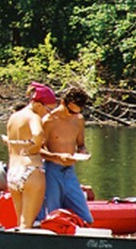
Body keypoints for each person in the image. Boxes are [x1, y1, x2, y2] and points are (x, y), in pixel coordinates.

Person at [38, 85, 94, 225]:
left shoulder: (78, 120)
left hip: (70, 172)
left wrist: (83, 152)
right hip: (52, 171)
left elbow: (81, 144)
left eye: (76, 112)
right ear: (63, 102)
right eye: (70, 111)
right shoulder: (48, 121)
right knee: (53, 217)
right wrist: (57, 157)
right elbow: (37, 150)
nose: (72, 115)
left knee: (87, 219)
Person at [4, 82, 56, 229]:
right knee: (27, 224)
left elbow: (11, 143)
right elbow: (38, 134)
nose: (48, 113)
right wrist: (34, 148)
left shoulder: (14, 117)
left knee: (19, 221)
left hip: (13, 171)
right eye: (49, 109)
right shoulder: (33, 117)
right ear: (38, 104)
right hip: (31, 170)